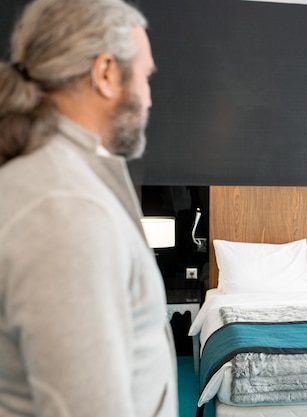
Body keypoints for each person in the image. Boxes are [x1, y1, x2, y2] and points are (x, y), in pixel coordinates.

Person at [0, 1, 178, 416]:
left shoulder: (52, 181)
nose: (149, 99)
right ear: (105, 74)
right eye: (146, 76)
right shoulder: (66, 209)